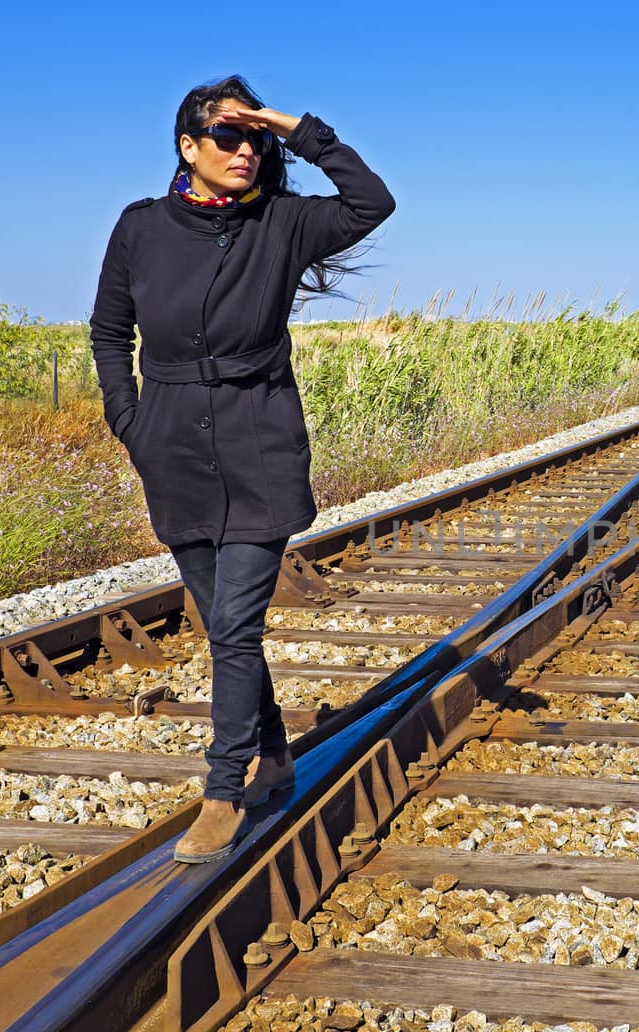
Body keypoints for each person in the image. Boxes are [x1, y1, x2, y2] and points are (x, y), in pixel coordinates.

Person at [89, 75, 395, 863]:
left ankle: (224, 790)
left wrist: (300, 129)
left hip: (260, 441)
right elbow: (108, 333)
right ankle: (278, 753)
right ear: (187, 148)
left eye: (254, 137)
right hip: (174, 448)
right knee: (219, 618)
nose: (246, 149)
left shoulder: (284, 222)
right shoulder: (139, 229)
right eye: (228, 135)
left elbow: (373, 202)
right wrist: (131, 421)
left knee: (232, 625)